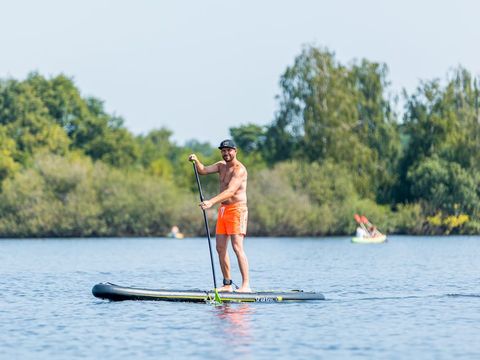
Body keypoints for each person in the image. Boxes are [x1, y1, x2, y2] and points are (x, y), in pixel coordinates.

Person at [188, 139, 251, 293]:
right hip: (224, 210)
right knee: (220, 248)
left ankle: (246, 286)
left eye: (229, 150)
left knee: (237, 247)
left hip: (237, 210)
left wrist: (210, 202)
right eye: (223, 150)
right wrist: (196, 161)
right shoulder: (220, 166)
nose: (226, 153)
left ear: (235, 151)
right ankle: (227, 284)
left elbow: (230, 192)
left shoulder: (239, 170)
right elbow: (203, 170)